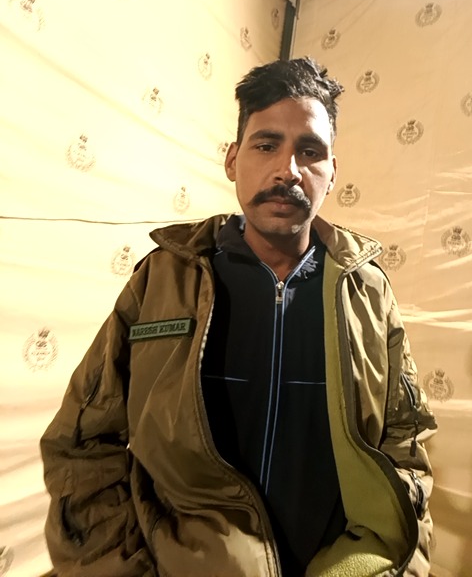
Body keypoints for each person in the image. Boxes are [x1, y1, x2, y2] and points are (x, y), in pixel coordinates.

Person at [40, 57, 437, 577]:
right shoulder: (164, 279)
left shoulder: (367, 291)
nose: (288, 170)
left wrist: (378, 564)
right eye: (266, 144)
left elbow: (406, 444)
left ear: (332, 172)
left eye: (310, 151)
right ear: (233, 159)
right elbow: (82, 443)